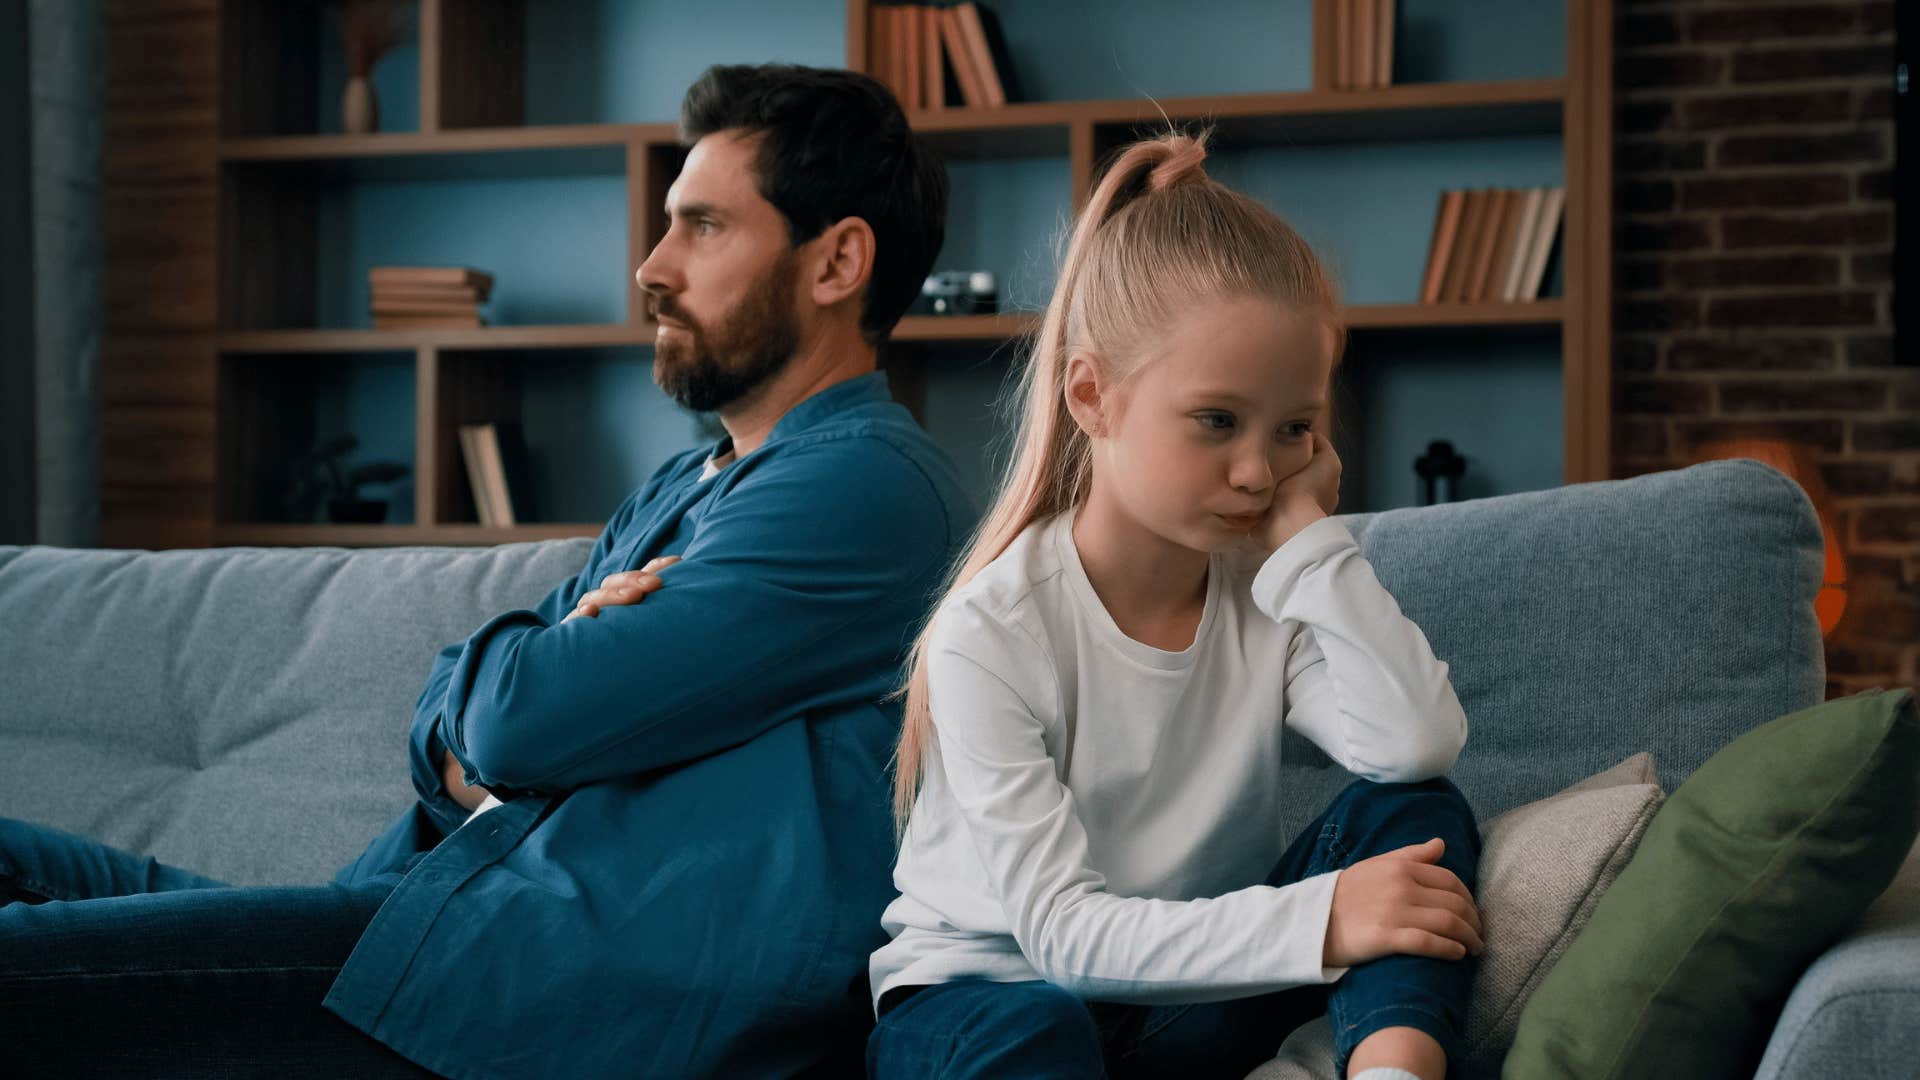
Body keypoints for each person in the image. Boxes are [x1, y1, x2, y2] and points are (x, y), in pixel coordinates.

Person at [0, 63, 967, 1078]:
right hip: (412, 921)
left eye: (705, 226)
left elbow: (512, 721)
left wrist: (534, 687)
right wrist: (537, 679)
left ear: (838, 261)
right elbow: (455, 724)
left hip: (512, 988)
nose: (652, 265)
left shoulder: (864, 491)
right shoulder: (688, 484)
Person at [865, 130, 1483, 1080]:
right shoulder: (992, 632)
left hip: (1181, 996)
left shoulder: (1270, 587)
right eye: (1217, 420)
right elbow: (1065, 941)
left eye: (1294, 429)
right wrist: (1326, 917)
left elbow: (1414, 744)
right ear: (1091, 396)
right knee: (1039, 1033)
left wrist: (1311, 543)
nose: (1256, 470)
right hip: (988, 1005)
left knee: (1413, 813)